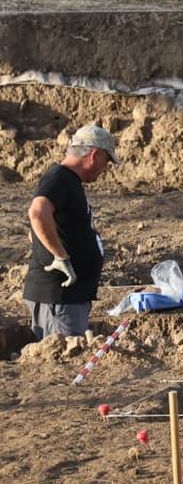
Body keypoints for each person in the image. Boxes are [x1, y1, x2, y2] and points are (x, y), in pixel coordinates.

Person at [24, 125, 115, 340]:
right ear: (94, 155)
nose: (105, 168)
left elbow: (37, 229)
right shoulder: (60, 178)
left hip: (65, 299)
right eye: (106, 161)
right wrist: (60, 257)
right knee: (64, 358)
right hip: (60, 298)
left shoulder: (67, 181)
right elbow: (37, 213)